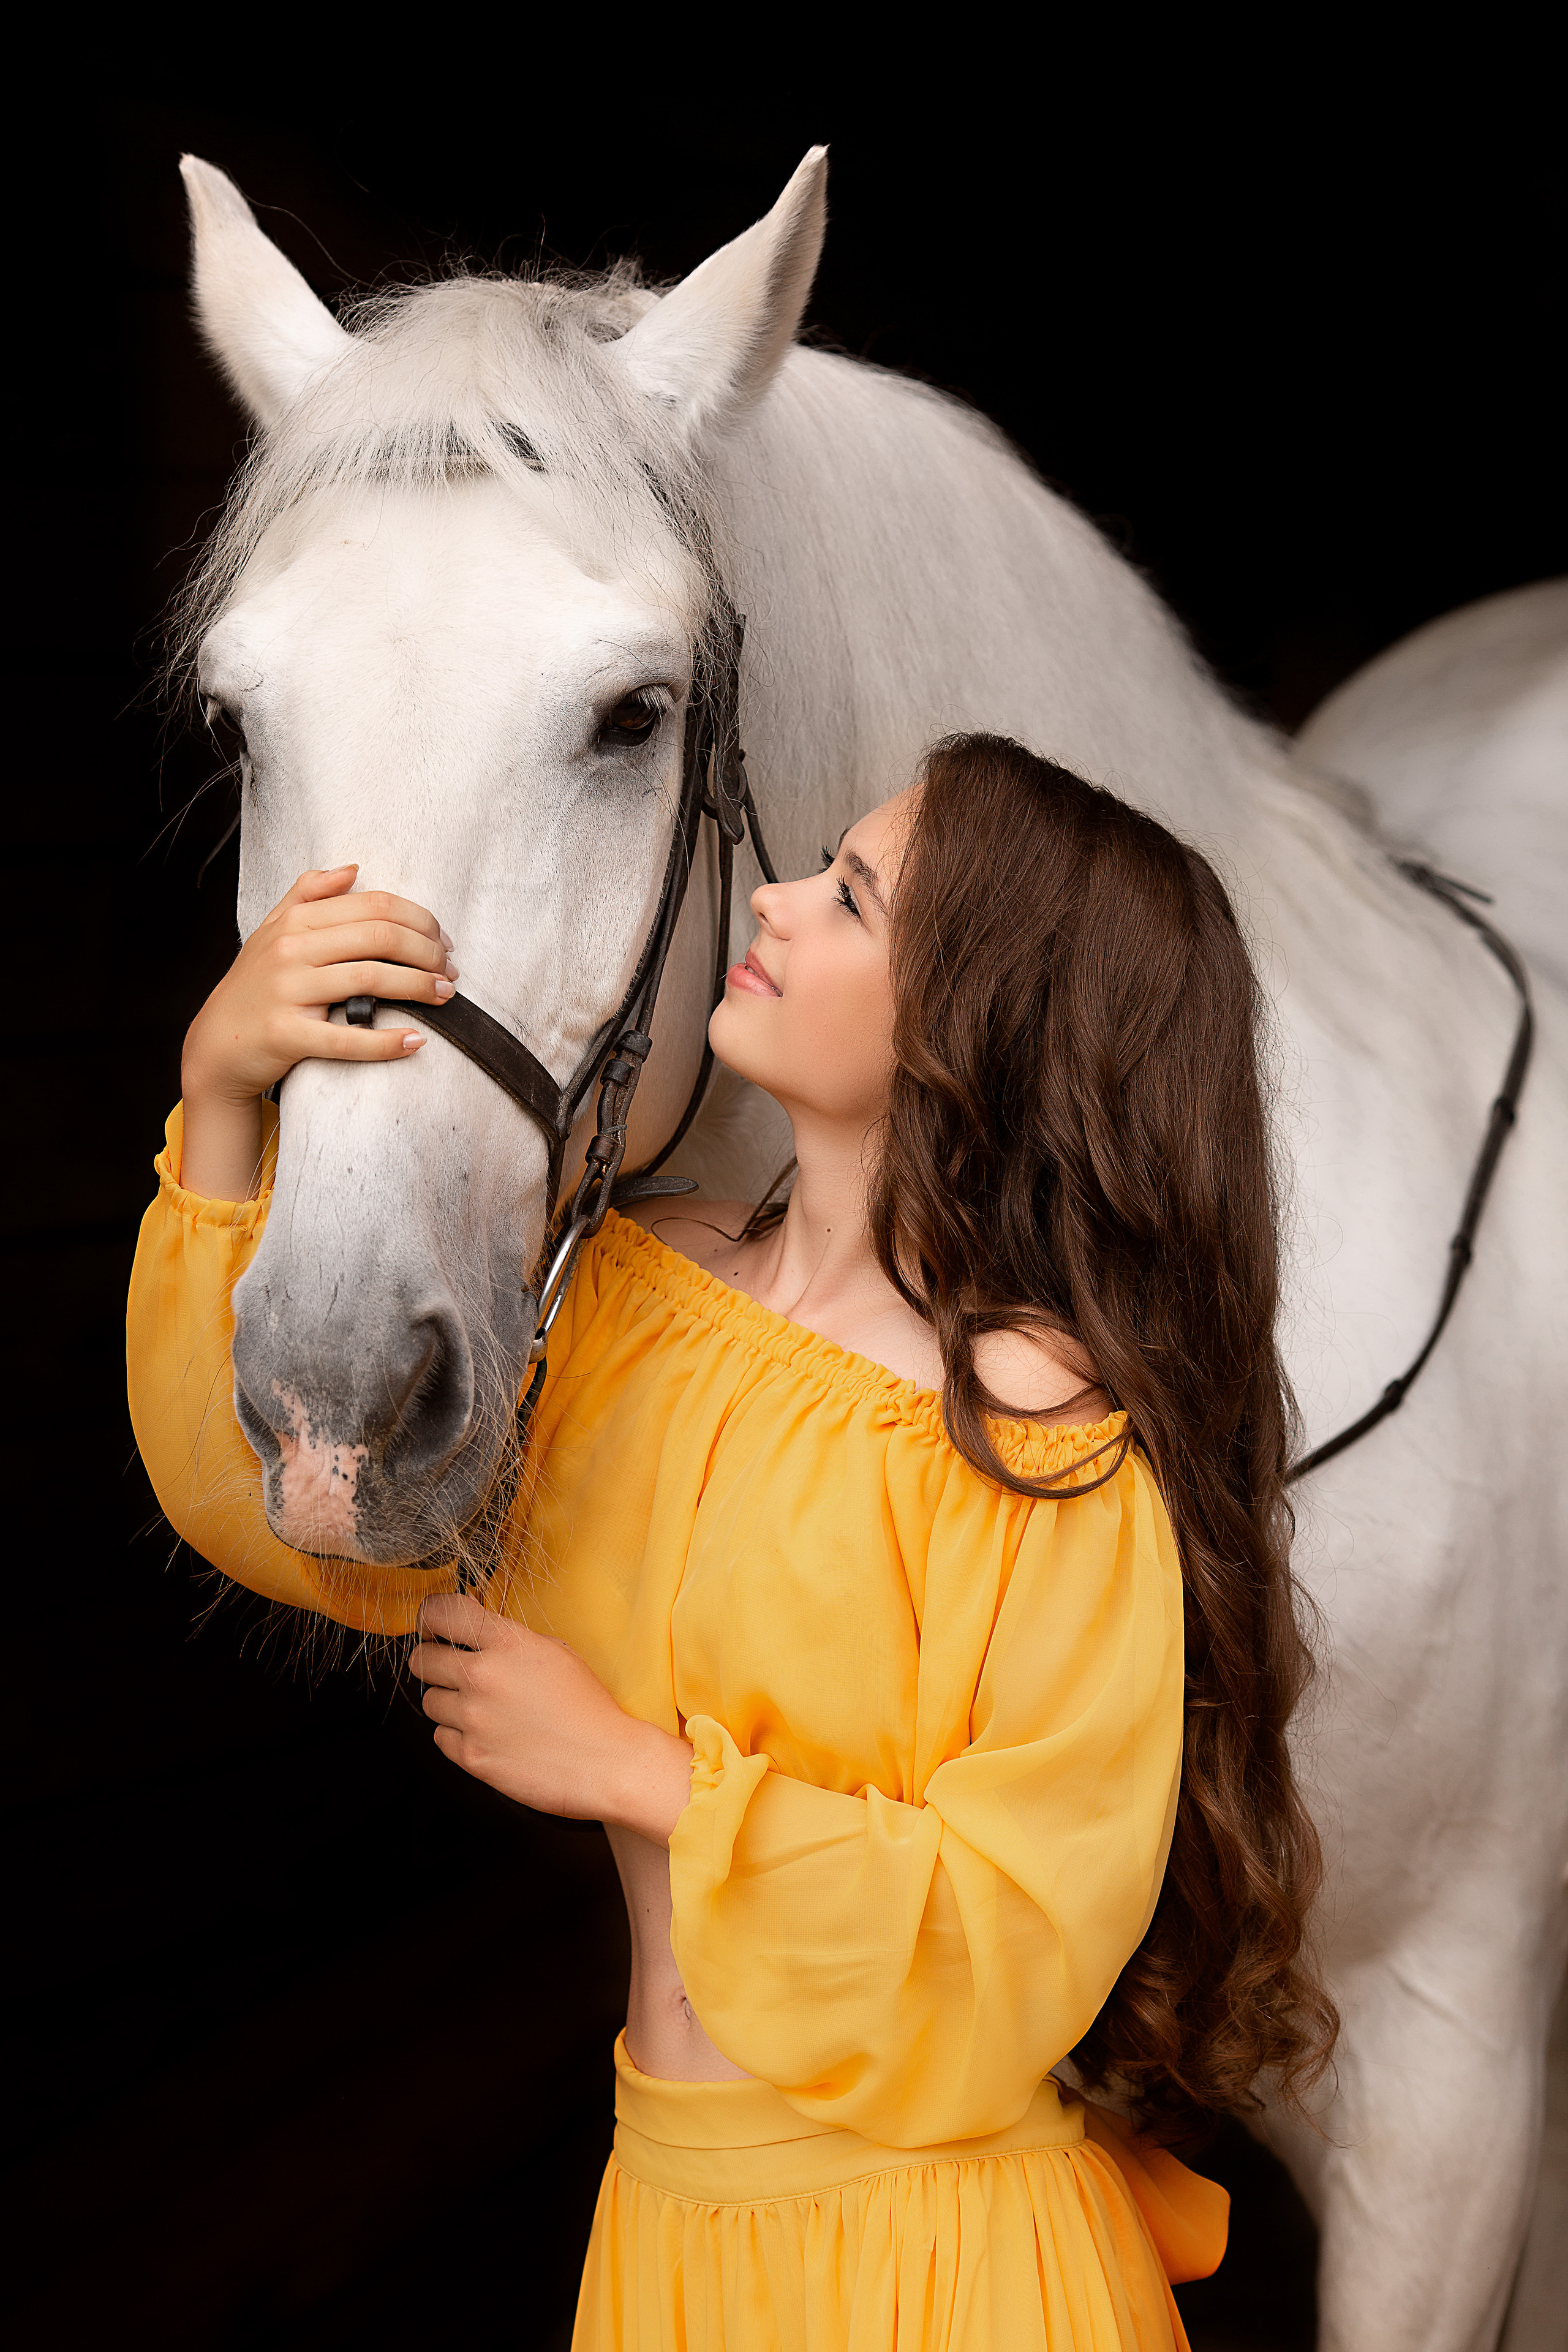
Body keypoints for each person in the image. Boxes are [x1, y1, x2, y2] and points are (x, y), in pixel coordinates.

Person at [128, 733, 1335, 2350]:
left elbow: (1012, 1945)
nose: (769, 901)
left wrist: (635, 1771)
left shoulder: (1042, 1447)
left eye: (848, 897)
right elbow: (288, 1504)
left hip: (941, 2265)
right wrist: (221, 1092)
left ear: (977, 1017)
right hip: (669, 2219)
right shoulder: (631, 1304)